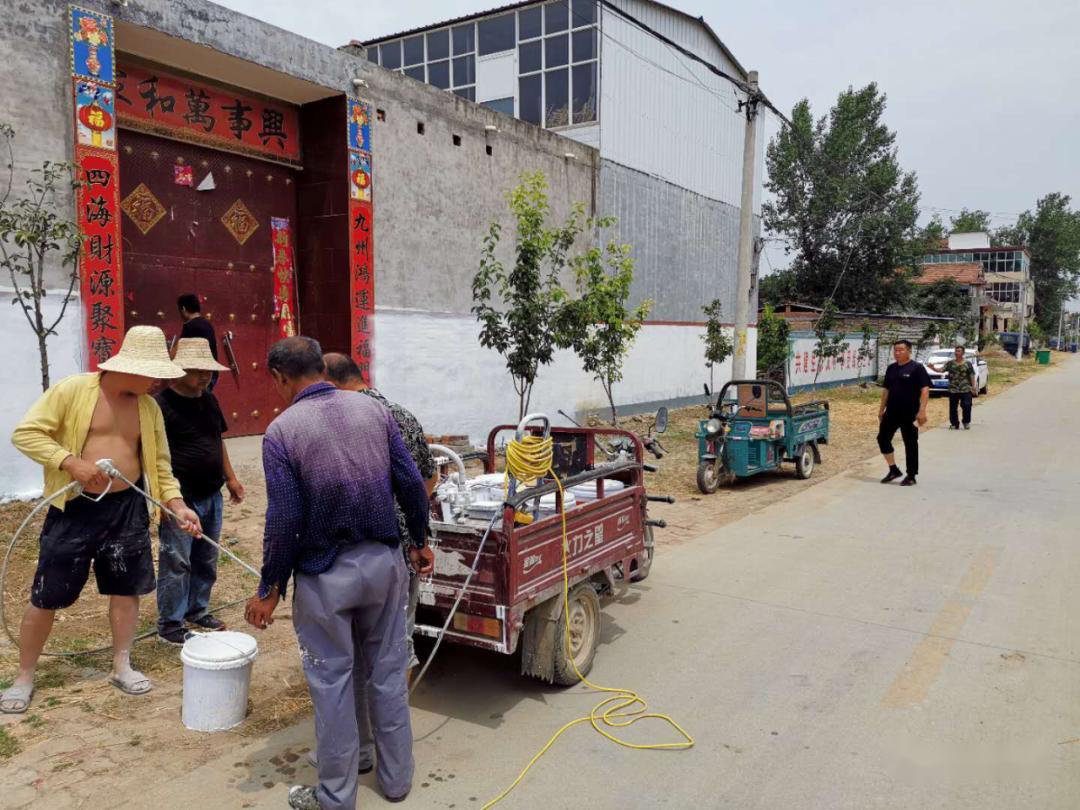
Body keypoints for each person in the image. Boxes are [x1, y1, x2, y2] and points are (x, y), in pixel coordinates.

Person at [243, 337, 431, 810]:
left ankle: (335, 797)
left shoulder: (282, 432)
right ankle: (397, 781)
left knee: (333, 685)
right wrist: (420, 541)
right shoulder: (373, 412)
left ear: (281, 378)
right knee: (387, 673)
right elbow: (411, 483)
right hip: (385, 565)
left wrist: (269, 589)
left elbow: (283, 521)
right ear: (321, 368)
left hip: (326, 578)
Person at [2, 326, 202, 715]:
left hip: (126, 508)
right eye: (154, 374)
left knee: (125, 589)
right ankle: (24, 675)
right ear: (131, 367)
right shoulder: (73, 391)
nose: (158, 382)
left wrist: (176, 505)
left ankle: (121, 665)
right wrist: (71, 462)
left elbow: (160, 465)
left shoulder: (148, 407)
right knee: (47, 594)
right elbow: (26, 434)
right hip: (73, 509)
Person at [323, 352, 438, 681]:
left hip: (346, 555)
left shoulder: (332, 421)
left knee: (358, 642)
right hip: (398, 552)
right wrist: (416, 534)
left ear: (331, 384)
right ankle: (395, 718)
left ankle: (370, 715)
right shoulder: (400, 414)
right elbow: (427, 478)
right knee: (397, 639)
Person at [155, 338, 245, 645]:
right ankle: (170, 622)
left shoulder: (209, 400)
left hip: (211, 494)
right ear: (177, 370)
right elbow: (153, 455)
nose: (204, 376)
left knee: (206, 556)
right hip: (181, 497)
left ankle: (197, 609)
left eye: (207, 369)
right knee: (177, 559)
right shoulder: (160, 405)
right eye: (196, 370)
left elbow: (217, 440)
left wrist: (230, 477)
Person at [877, 339, 931, 486]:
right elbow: (886, 390)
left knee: (910, 443)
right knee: (882, 438)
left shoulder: (917, 368)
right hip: (892, 411)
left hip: (910, 413)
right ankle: (893, 469)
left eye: (901, 350)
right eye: (895, 350)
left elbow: (925, 390)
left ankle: (911, 475)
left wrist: (922, 411)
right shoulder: (891, 368)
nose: (897, 353)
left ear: (909, 351)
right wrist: (881, 409)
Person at [177, 293, 220, 389]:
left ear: (183, 309)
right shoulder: (207, 324)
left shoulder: (190, 326)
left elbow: (181, 353)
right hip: (210, 375)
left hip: (197, 377)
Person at [944, 345, 977, 431]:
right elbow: (941, 370)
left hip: (965, 388)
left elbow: (972, 375)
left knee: (967, 405)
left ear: (963, 353)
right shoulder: (950, 363)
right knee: (953, 408)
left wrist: (973, 387)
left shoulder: (967, 364)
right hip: (953, 389)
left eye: (958, 351)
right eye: (956, 351)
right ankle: (954, 424)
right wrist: (932, 367)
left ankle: (966, 422)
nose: (956, 352)